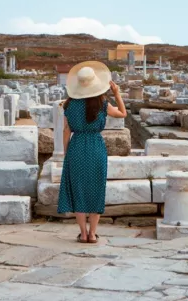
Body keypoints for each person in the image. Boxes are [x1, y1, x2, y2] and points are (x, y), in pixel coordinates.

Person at [56, 61, 127, 243]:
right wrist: (117, 93)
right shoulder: (102, 104)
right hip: (96, 146)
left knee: (78, 190)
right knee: (96, 189)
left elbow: (66, 131)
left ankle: (83, 233)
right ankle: (93, 234)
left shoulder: (69, 105)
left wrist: (66, 153)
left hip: (76, 147)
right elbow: (122, 113)